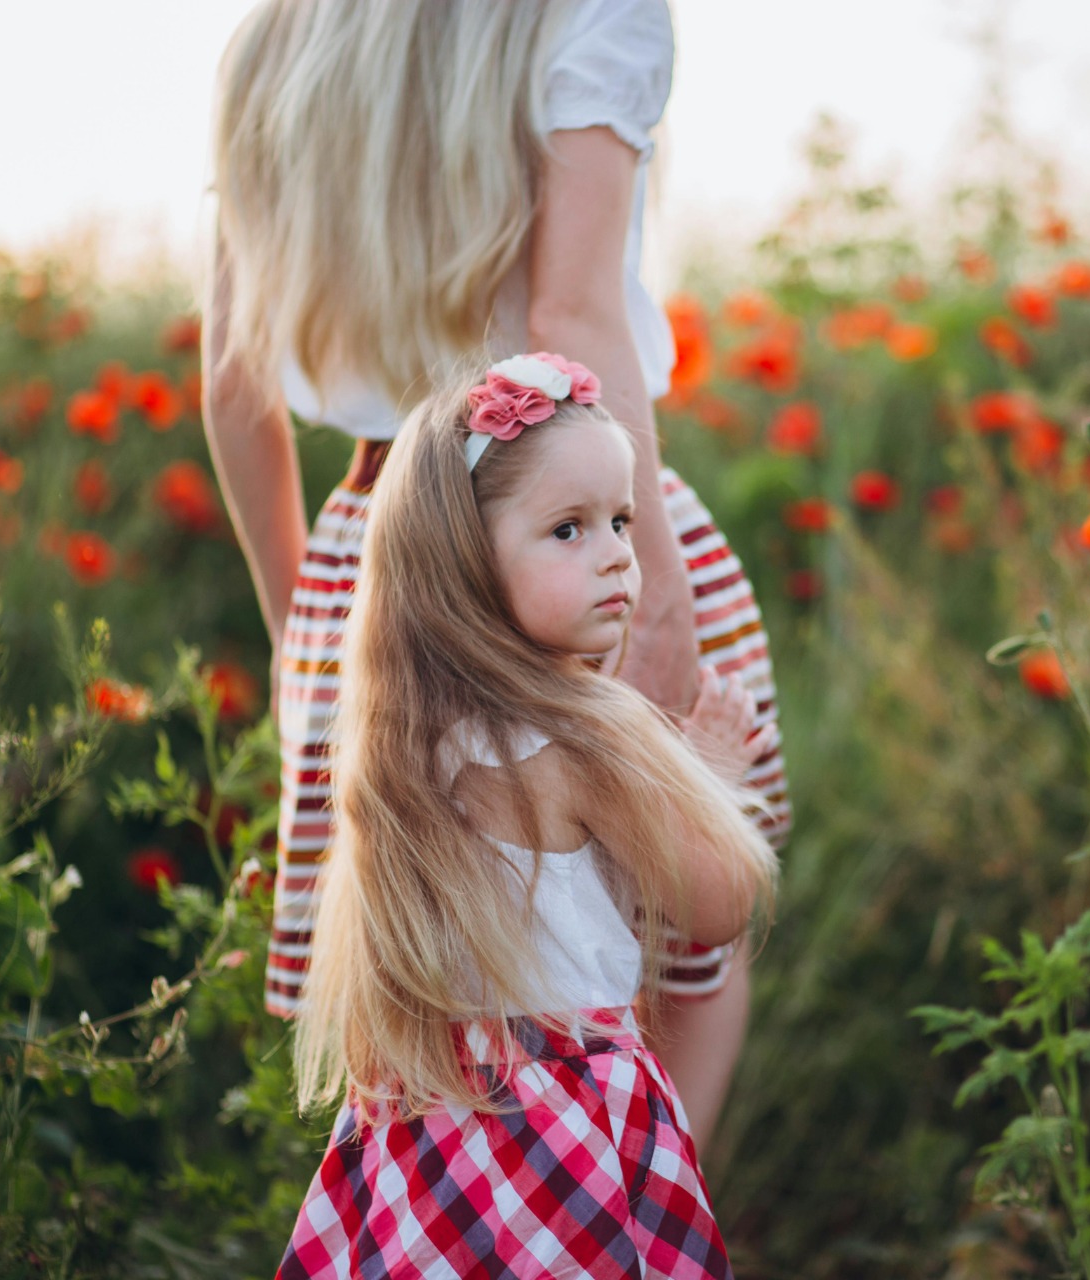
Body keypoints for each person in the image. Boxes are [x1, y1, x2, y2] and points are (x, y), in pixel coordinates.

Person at [201, 0, 789, 1151]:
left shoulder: (278, 31)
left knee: (419, 995)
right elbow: (569, 312)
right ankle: (634, 1227)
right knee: (686, 940)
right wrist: (653, 594)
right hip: (580, 526)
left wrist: (303, 633)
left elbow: (235, 382)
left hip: (368, 560)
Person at [276, 357, 775, 1278]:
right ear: (465, 562)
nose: (619, 552)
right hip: (566, 1133)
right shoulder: (592, 734)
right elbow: (718, 905)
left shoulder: (400, 748)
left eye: (621, 520)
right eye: (568, 528)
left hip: (425, 1134)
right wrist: (713, 775)